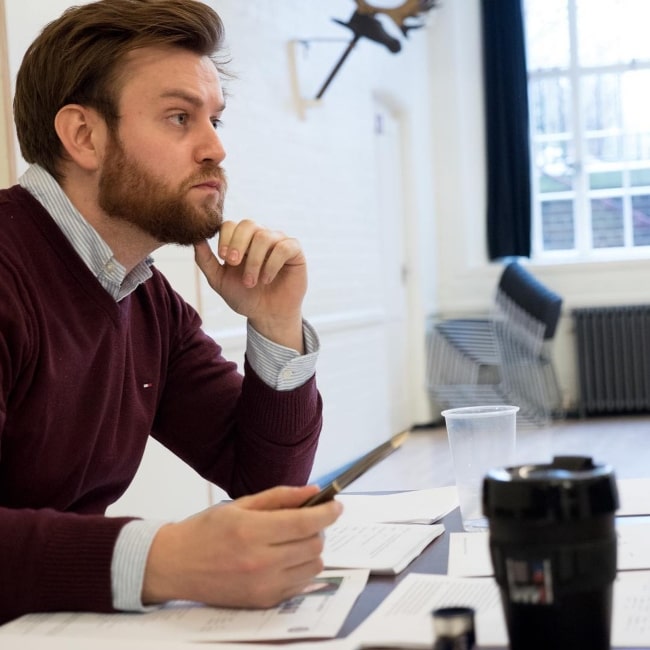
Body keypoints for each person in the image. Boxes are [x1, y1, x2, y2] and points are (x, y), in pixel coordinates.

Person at [0, 0, 342, 624]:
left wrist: (272, 324)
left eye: (215, 119)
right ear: (83, 136)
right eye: (180, 118)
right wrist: (164, 558)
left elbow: (265, 486)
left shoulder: (144, 297)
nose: (216, 148)